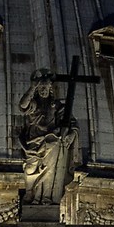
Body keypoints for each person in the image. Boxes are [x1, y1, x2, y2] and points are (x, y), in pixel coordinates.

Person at [16, 72, 78, 206]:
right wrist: (32, 88)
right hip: (33, 142)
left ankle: (45, 198)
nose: (43, 91)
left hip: (52, 142)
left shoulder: (56, 106)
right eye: (41, 88)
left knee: (50, 173)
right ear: (37, 90)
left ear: (50, 90)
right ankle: (30, 191)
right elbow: (23, 105)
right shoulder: (33, 105)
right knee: (30, 169)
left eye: (46, 88)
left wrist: (72, 134)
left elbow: (71, 122)